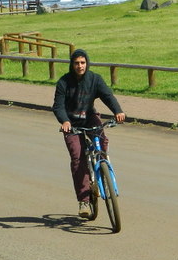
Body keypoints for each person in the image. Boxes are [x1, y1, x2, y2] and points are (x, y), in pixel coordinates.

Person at [52, 49, 126, 218]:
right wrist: (64, 121)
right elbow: (58, 105)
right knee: (78, 158)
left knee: (102, 140)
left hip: (89, 118)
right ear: (72, 64)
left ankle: (102, 167)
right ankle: (84, 201)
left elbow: (108, 96)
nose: (80, 66)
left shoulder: (94, 79)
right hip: (71, 124)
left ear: (87, 63)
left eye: (83, 63)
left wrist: (118, 111)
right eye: (77, 63)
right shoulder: (64, 82)